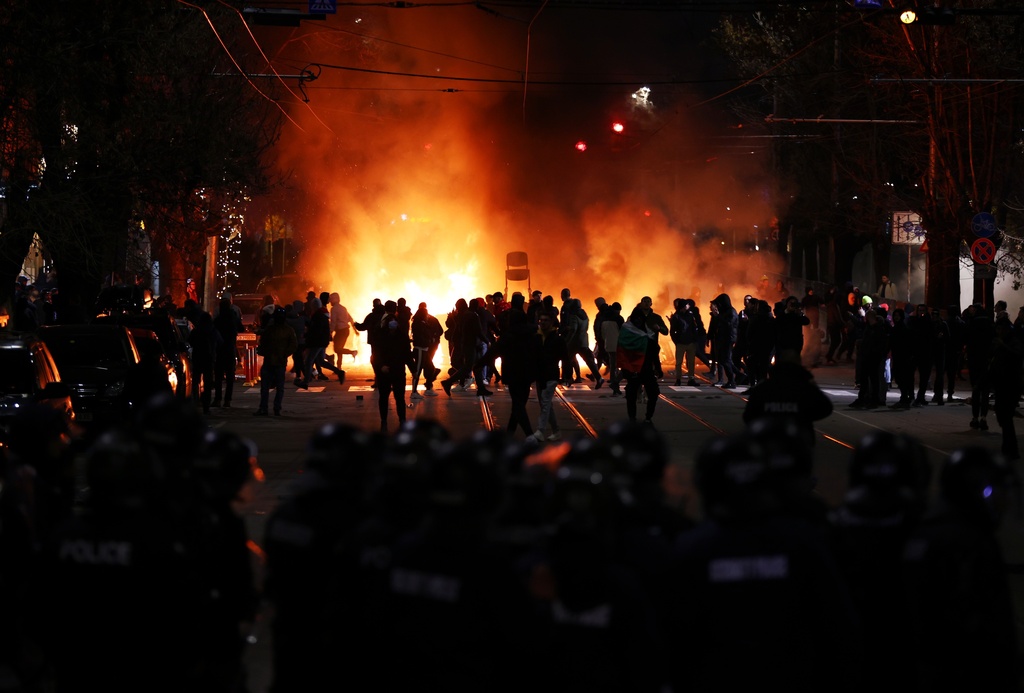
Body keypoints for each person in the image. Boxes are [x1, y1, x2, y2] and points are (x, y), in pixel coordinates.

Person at [743, 349, 833, 447]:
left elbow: (749, 416)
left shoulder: (764, 387)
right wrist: (805, 416)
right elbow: (826, 408)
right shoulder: (806, 388)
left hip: (770, 440)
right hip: (800, 440)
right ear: (799, 364)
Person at [619, 300, 668, 424]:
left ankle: (643, 418)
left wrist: (658, 368)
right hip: (636, 370)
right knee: (633, 395)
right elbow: (622, 352)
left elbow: (654, 353)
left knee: (649, 394)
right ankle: (637, 418)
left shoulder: (645, 334)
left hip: (642, 370)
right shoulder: (629, 332)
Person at [531, 310, 571, 442]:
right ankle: (556, 430)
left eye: (545, 320)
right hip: (539, 375)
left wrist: (567, 375)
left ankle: (540, 430)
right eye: (541, 320)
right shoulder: (536, 337)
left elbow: (565, 358)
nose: (542, 323)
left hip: (551, 374)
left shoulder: (557, 339)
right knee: (545, 404)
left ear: (552, 322)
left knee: (545, 401)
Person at [375, 300, 411, 433]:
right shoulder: (381, 335)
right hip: (388, 371)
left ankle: (402, 420)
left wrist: (413, 369)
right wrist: (381, 366)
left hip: (397, 370)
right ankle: (385, 421)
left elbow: (407, 354)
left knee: (399, 397)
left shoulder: (401, 336)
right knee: (386, 397)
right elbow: (376, 355)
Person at [255, 307, 298, 416]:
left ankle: (264, 408)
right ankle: (276, 408)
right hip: (278, 362)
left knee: (265, 388)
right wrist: (284, 354)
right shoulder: (288, 330)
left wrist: (264, 352)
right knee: (279, 387)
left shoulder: (270, 330)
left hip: (270, 362)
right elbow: (293, 345)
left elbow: (262, 344)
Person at [297, 297, 345, 389]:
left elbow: (315, 330)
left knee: (308, 361)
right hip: (322, 341)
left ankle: (306, 382)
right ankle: (339, 372)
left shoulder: (317, 316)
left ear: (314, 306)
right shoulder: (322, 315)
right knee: (321, 361)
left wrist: (307, 336)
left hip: (317, 342)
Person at [212, 296, 243, 408]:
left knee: (219, 376)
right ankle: (227, 400)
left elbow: (213, 329)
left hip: (220, 350)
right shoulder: (233, 317)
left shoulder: (219, 319)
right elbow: (241, 328)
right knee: (230, 377)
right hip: (230, 349)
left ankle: (218, 399)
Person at [410, 302, 444, 398]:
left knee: (430, 368)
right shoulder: (418, 323)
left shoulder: (422, 322)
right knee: (418, 370)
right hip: (420, 349)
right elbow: (420, 336)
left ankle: (428, 387)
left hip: (424, 349)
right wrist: (430, 339)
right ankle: (414, 392)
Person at [709, 293, 738, 388]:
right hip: (723, 338)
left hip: (728, 338)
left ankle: (732, 381)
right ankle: (731, 380)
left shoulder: (731, 312)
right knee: (723, 360)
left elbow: (729, 324)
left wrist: (718, 316)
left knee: (726, 360)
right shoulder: (724, 311)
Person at [329, 292, 358, 365]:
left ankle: (352, 352)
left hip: (340, 331)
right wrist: (355, 330)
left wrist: (330, 332)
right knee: (340, 349)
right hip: (346, 331)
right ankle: (339, 368)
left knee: (337, 349)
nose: (330, 302)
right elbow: (350, 319)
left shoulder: (334, 309)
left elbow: (333, 322)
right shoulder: (343, 308)